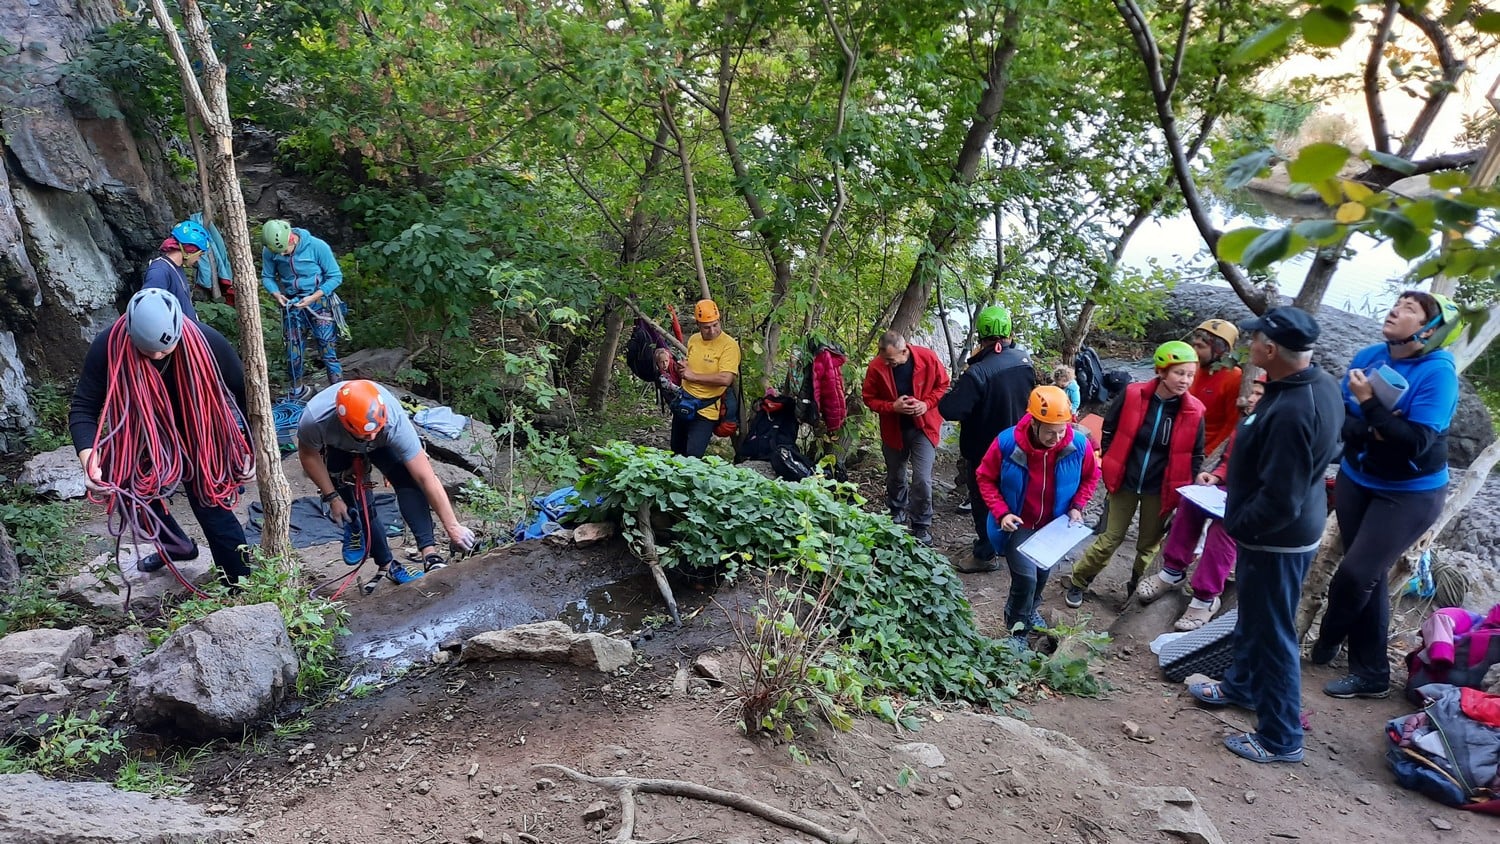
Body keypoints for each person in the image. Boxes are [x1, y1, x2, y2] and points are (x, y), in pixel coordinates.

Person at [1188, 306, 1342, 765]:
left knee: (1274, 633)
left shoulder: (1297, 408)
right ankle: (1241, 686)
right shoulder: (1315, 384)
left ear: (1270, 350)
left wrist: (1238, 524)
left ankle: (1281, 736)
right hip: (1276, 532)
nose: (1249, 345)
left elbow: (1282, 499)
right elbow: (1336, 446)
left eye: (1255, 340)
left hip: (1276, 538)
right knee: (1254, 619)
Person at [1311, 292, 1462, 699]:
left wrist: (1369, 405)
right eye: (1397, 303)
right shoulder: (1371, 356)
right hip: (1357, 478)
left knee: (1357, 573)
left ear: (1430, 330)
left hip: (1409, 493)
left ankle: (1329, 637)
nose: (1396, 310)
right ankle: (1371, 673)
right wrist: (1378, 427)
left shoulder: (1438, 373)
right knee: (1369, 575)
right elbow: (1342, 423)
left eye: (1410, 309)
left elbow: (1413, 443)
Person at [70, 288, 255, 583]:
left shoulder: (207, 342)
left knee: (211, 505)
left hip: (199, 431)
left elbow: (248, 395)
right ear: (130, 334)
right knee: (128, 487)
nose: (156, 356)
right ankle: (175, 545)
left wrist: (250, 447)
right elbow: (83, 408)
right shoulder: (109, 345)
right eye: (147, 350)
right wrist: (89, 459)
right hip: (143, 432)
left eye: (163, 349)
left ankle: (240, 584)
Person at [296, 379, 477, 594]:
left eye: (374, 432)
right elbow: (308, 456)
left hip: (385, 440)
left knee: (408, 481)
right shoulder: (316, 420)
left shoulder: (393, 421)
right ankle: (386, 564)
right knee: (355, 504)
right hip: (339, 444)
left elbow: (426, 477)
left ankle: (430, 555)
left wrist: (453, 527)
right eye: (366, 435)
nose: (370, 438)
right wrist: (332, 496)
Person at [1064, 341, 1204, 608]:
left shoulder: (1194, 411)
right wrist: (1109, 458)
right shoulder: (1132, 395)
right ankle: (1079, 581)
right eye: (1179, 373)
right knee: (1109, 539)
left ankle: (1137, 590)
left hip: (1159, 488)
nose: (1185, 380)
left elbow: (1195, 455)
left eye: (1190, 374)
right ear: (1161, 371)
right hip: (1125, 480)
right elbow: (1110, 429)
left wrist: (1187, 489)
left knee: (1147, 548)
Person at [1137, 374, 1266, 630]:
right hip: (1231, 490)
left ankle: (1206, 597)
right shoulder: (1247, 423)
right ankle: (1172, 570)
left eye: (1260, 395)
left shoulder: (1282, 431)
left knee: (1224, 528)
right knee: (1190, 502)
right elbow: (1231, 461)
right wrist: (1215, 476)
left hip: (1256, 498)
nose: (1250, 398)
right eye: (1254, 391)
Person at [976, 386, 1100, 638]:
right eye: (1050, 433)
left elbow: (1091, 476)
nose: (1056, 439)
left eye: (1062, 430)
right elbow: (985, 477)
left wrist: (1077, 506)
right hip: (1019, 523)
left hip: (1054, 526)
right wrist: (1002, 513)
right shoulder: (1007, 442)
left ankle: (1031, 609)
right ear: (1034, 423)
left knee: (1042, 575)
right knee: (1026, 580)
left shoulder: (1078, 445)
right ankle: (1017, 628)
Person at [938, 306, 1036, 570]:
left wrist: (949, 391)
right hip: (1018, 447)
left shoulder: (978, 373)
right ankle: (1007, 545)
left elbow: (950, 409)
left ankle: (984, 555)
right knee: (1011, 497)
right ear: (1008, 333)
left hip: (985, 452)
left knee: (984, 502)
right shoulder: (1024, 362)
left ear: (981, 335)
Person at [863, 331, 950, 545]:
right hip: (894, 428)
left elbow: (943, 385)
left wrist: (925, 404)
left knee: (921, 478)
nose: (888, 364)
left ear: (904, 351)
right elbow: (869, 398)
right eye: (884, 359)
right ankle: (897, 512)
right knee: (895, 474)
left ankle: (921, 525)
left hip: (924, 426)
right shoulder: (876, 366)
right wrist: (892, 407)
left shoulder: (927, 357)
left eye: (891, 360)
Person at [260, 219, 346, 401]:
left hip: (319, 301)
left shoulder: (316, 246)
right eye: (278, 253)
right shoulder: (270, 250)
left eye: (284, 251)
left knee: (326, 345)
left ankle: (339, 391)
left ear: (292, 239)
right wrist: (276, 294)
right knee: (293, 347)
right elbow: (267, 276)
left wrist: (314, 297)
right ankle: (297, 389)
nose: (282, 255)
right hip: (292, 302)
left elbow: (335, 276)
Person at [669, 299, 740, 458]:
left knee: (693, 456)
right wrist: (684, 367)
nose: (712, 331)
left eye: (715, 325)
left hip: (706, 409)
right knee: (676, 450)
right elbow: (693, 362)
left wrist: (692, 376)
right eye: (707, 327)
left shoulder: (729, 345)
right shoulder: (694, 340)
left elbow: (725, 378)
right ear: (699, 325)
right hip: (684, 400)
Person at [1187, 319, 1243, 456]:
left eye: (1200, 347)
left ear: (1219, 351)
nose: (1194, 351)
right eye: (1194, 345)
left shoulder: (1234, 377)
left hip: (1206, 450)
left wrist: (1207, 454)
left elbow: (1232, 425)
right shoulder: (1191, 368)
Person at [142, 220, 211, 321]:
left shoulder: (176, 268)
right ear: (190, 251)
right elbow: (149, 311)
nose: (198, 260)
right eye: (199, 255)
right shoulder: (159, 271)